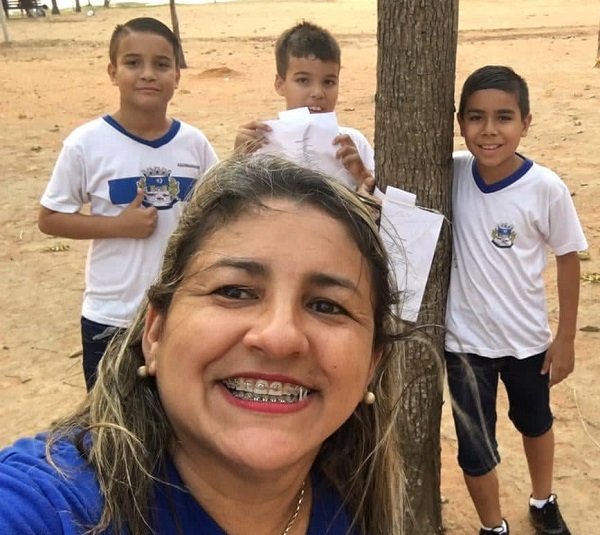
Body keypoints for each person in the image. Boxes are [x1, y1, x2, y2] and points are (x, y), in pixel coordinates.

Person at [1, 156, 406, 534]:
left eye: (326, 306)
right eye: (234, 292)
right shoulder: (49, 505)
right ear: (155, 333)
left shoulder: (352, 504)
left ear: (373, 363)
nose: (279, 337)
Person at [38, 17, 218, 390]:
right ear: (113, 72)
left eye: (162, 64)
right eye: (133, 63)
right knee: (109, 414)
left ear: (177, 76)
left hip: (176, 312)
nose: (148, 74)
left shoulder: (194, 144)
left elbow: (219, 208)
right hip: (112, 316)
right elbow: (50, 217)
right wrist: (117, 226)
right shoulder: (86, 143)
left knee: (173, 413)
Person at [445, 65, 588, 535]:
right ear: (460, 122)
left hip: (528, 342)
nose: (489, 130)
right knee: (474, 448)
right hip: (464, 346)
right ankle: (493, 526)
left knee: (536, 423)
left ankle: (543, 500)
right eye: (476, 117)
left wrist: (564, 338)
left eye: (504, 117)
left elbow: (568, 258)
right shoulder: (450, 172)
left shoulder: (545, 188)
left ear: (526, 122)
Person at [233, 21, 376, 193]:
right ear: (280, 84)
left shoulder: (352, 145)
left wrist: (362, 176)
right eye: (303, 80)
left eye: (329, 82)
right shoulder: (258, 146)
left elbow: (375, 202)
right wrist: (236, 161)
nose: (318, 93)